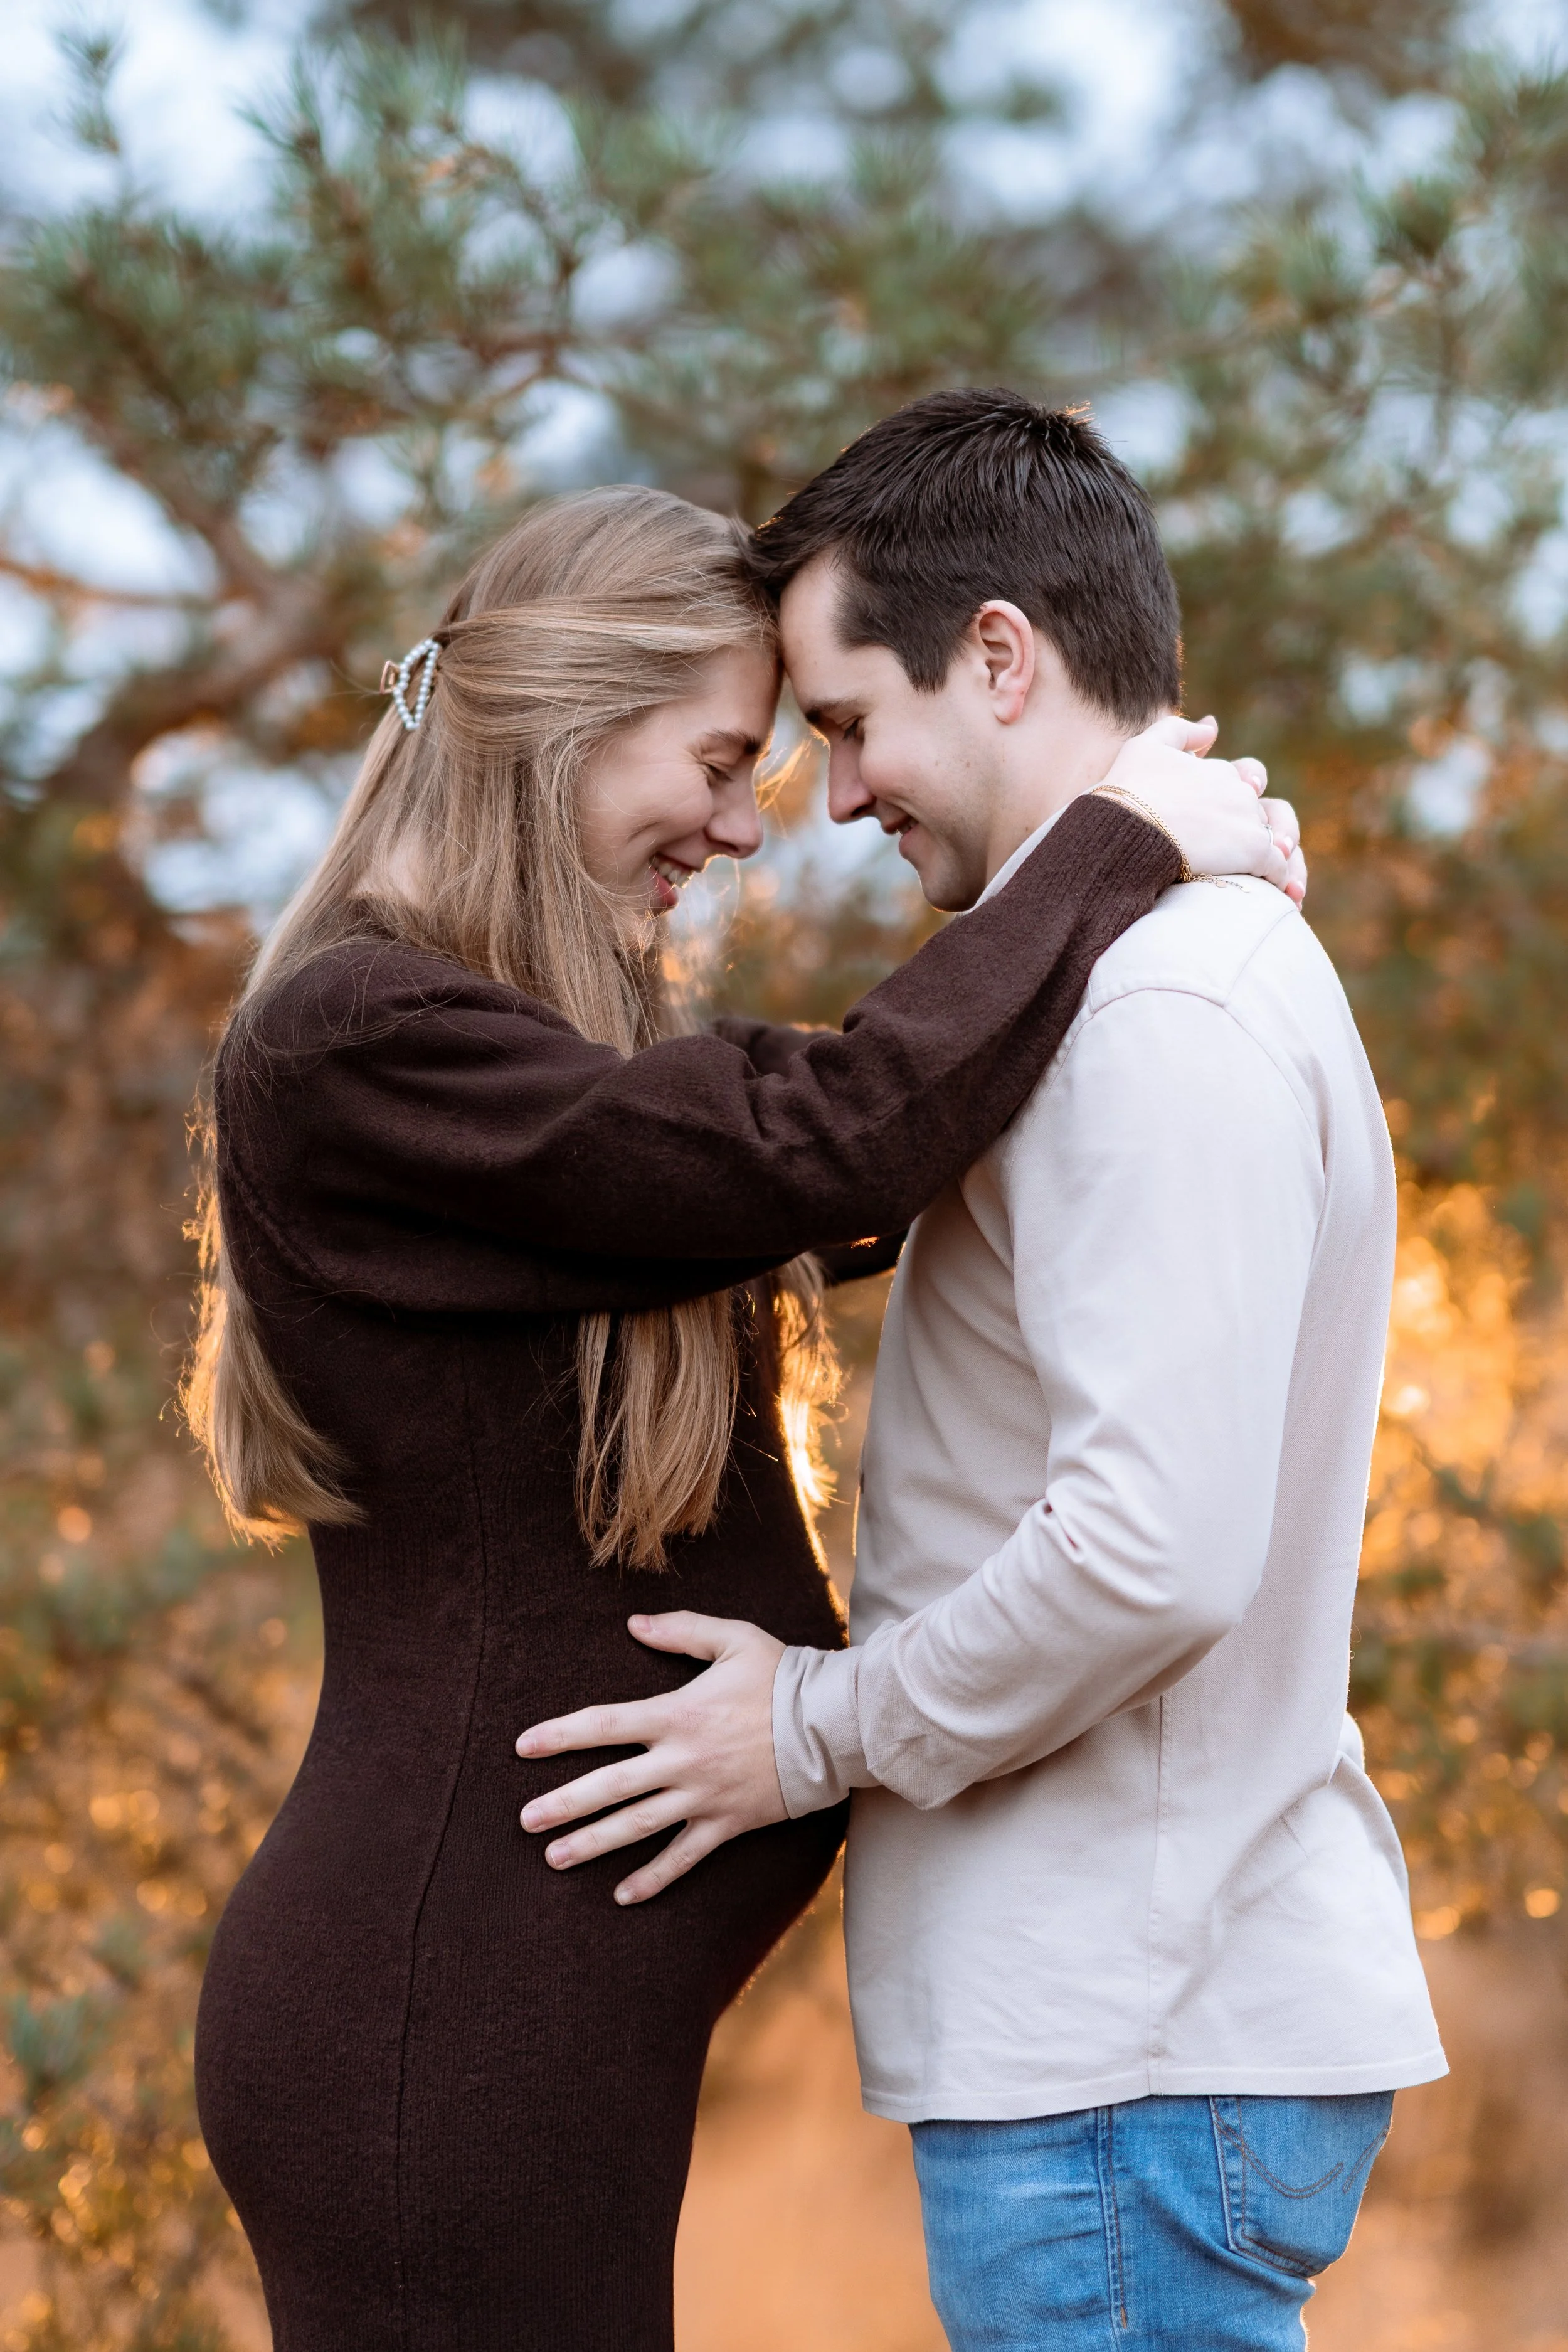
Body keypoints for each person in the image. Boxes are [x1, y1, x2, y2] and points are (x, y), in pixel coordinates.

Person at [184, 478, 1293, 2351]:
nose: (742, 825)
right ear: (560, 714)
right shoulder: (357, 1035)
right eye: (716, 762)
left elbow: (841, 1173)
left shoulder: (502, 1062)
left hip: (508, 2028)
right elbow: (816, 1138)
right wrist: (1109, 847)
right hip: (431, 2024)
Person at [516, 395, 1448, 2352]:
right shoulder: (1132, 984)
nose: (833, 796)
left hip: (1128, 2038)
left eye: (850, 720)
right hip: (1128, 2033)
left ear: (1001, 655)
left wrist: (814, 1728)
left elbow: (1149, 1552)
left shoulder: (1161, 1010)